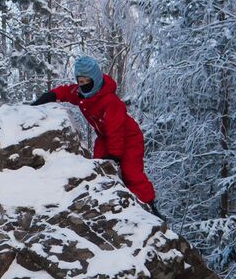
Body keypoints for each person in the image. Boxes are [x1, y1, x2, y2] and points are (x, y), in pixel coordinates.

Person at [34, 56, 157, 206]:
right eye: (81, 82)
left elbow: (116, 130)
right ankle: (110, 200)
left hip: (129, 138)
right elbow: (67, 91)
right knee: (99, 166)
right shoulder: (81, 94)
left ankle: (148, 204)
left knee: (131, 172)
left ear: (96, 79)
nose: (84, 85)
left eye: (87, 81)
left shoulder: (110, 101)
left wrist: (115, 155)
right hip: (105, 138)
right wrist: (52, 95)